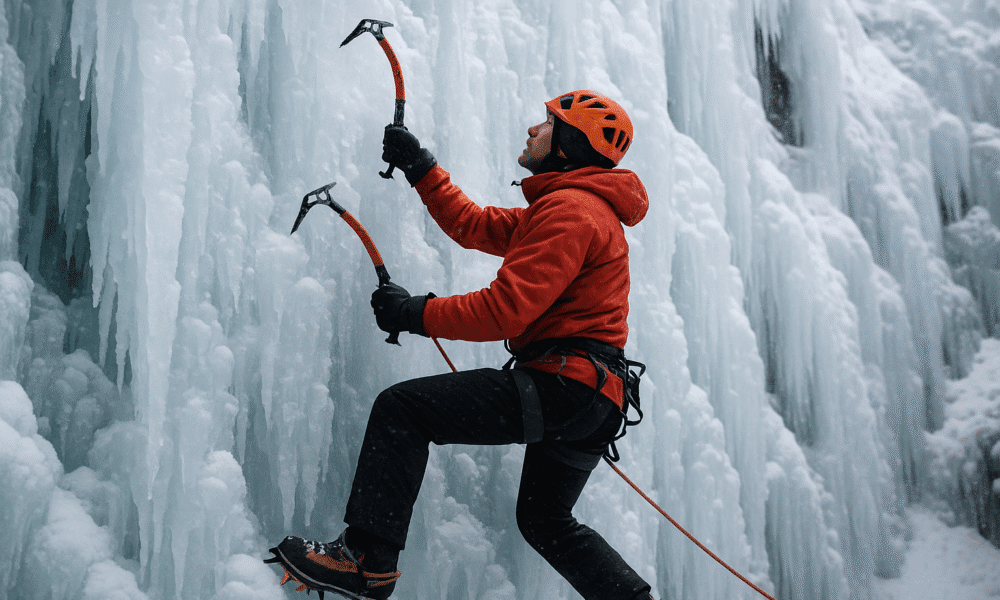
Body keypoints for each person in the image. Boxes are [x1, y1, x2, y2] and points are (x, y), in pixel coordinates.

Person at [267, 90, 653, 600]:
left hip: (564, 384)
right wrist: (420, 166)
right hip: (594, 398)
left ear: (569, 145)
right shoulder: (570, 210)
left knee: (402, 409)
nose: (532, 130)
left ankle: (366, 561)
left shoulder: (571, 212)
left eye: (546, 125)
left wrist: (414, 313)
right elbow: (474, 224)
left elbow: (504, 310)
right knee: (546, 521)